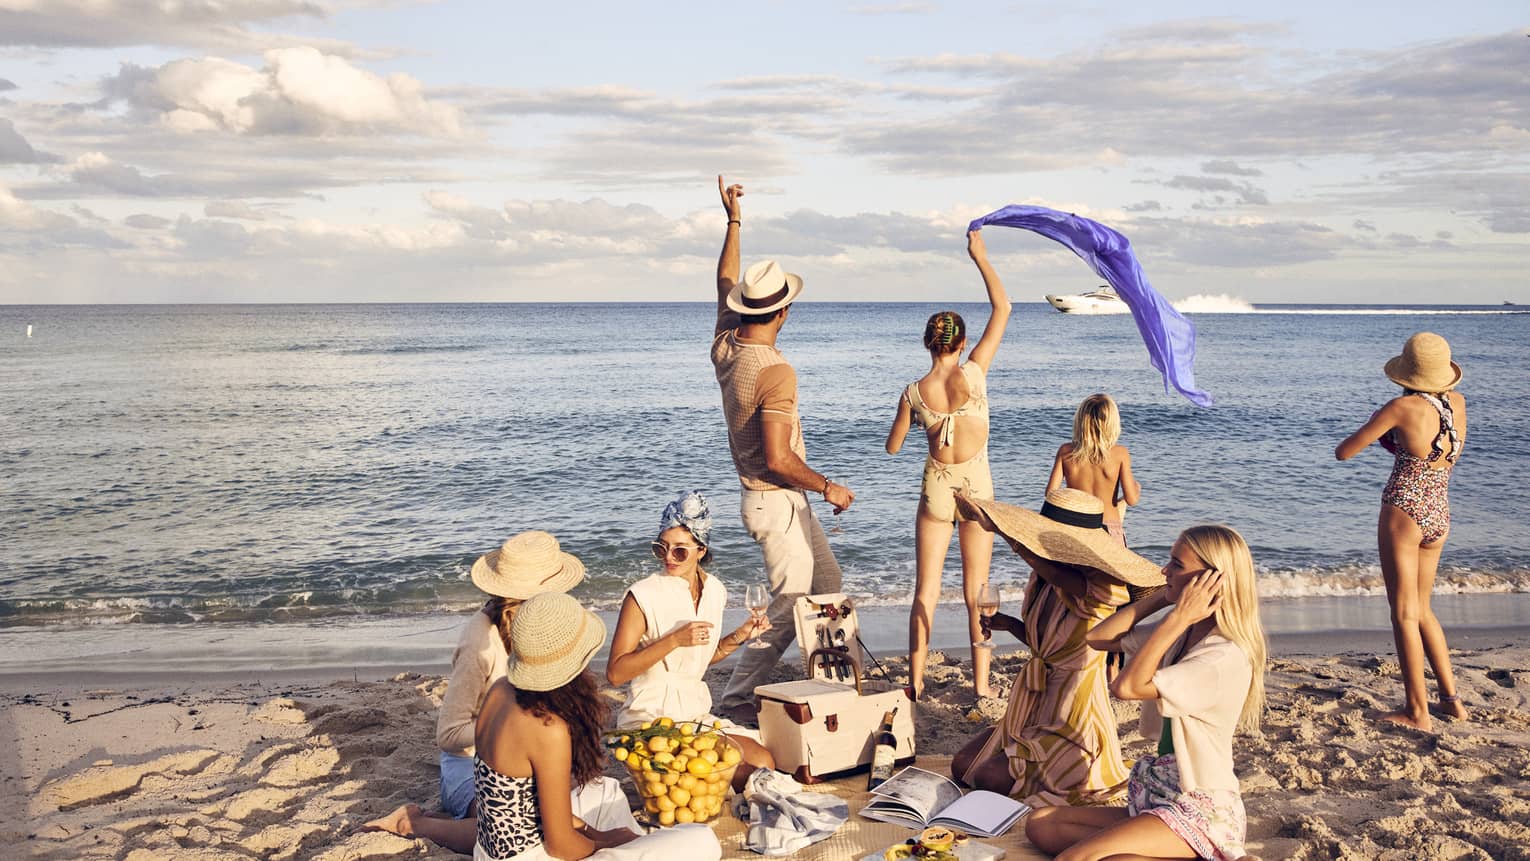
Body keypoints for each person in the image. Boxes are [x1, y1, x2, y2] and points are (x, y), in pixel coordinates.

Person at [365, 531, 631, 853]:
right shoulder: (480, 643)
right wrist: (514, 737)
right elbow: (448, 734)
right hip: (473, 765)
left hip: (523, 755)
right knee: (514, 819)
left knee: (561, 803)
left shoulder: (545, 634)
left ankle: (433, 819)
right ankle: (416, 823)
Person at [1024, 525, 1267, 861]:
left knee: (1078, 859)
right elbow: (1099, 637)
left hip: (1199, 809)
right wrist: (1163, 595)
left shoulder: (1220, 656)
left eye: (1177, 565)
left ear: (1212, 580)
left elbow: (1126, 687)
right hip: (1161, 794)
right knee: (1042, 824)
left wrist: (1177, 617)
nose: (1164, 570)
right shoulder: (1186, 634)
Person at [710, 175, 854, 724]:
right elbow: (778, 458)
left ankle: (827, 677)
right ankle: (739, 698)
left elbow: (725, 278)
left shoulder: (727, 343)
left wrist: (733, 220)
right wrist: (828, 485)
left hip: (777, 502)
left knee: (828, 585)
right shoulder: (775, 370)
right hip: (775, 497)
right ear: (783, 313)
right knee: (789, 602)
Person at [949, 489, 1162, 808]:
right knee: (963, 766)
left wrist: (1006, 533)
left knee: (990, 779)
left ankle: (1040, 756)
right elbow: (1048, 648)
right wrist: (1011, 625)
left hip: (1073, 714)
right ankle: (1023, 747)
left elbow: (1066, 583)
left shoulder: (1102, 584)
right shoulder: (1045, 579)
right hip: (1035, 702)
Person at [473, 592, 721, 860]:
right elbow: (561, 846)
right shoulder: (547, 727)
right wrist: (608, 843)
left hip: (491, 850)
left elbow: (523, 805)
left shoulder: (500, 689)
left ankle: (636, 847)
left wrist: (597, 834)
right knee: (702, 839)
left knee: (606, 790)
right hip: (534, 856)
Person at [884, 229, 1012, 701]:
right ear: (961, 343)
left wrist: (923, 427)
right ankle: (981, 686)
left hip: (936, 489)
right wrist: (980, 256)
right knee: (976, 590)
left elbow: (893, 447)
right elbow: (1004, 309)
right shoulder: (975, 373)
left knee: (926, 591)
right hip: (977, 490)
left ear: (927, 344)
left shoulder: (913, 393)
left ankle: (914, 684)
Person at [1336, 331, 1468, 731]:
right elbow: (1434, 447)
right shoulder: (1458, 404)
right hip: (1439, 509)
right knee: (1423, 608)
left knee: (1403, 614)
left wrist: (1387, 434)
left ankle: (1417, 710)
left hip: (1405, 509)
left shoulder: (1400, 406)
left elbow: (1345, 451)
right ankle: (1451, 700)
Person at [606, 490, 777, 790]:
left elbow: (697, 661)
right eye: (662, 549)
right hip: (650, 720)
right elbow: (616, 673)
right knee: (743, 775)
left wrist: (741, 635)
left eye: (680, 551)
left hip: (694, 713)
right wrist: (673, 640)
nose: (670, 558)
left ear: (701, 549)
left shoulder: (715, 591)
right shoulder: (642, 595)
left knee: (764, 761)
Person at [1046, 393, 1140, 546]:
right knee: (1110, 570)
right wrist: (1136, 488)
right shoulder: (1120, 453)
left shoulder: (1066, 451)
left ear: (1080, 421)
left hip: (1076, 527)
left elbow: (1051, 494)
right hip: (1109, 528)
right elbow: (1132, 499)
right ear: (1112, 423)